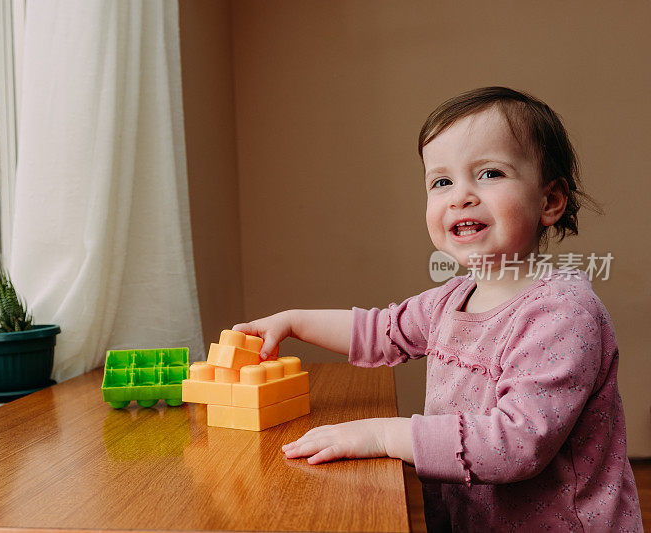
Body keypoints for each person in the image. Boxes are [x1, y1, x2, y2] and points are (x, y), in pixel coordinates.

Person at [232, 87, 642, 531]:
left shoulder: (563, 313)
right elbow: (378, 330)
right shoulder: (452, 298)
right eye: (442, 182)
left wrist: (383, 435)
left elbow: (516, 443)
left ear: (550, 201)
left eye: (489, 173)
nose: (460, 196)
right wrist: (293, 321)